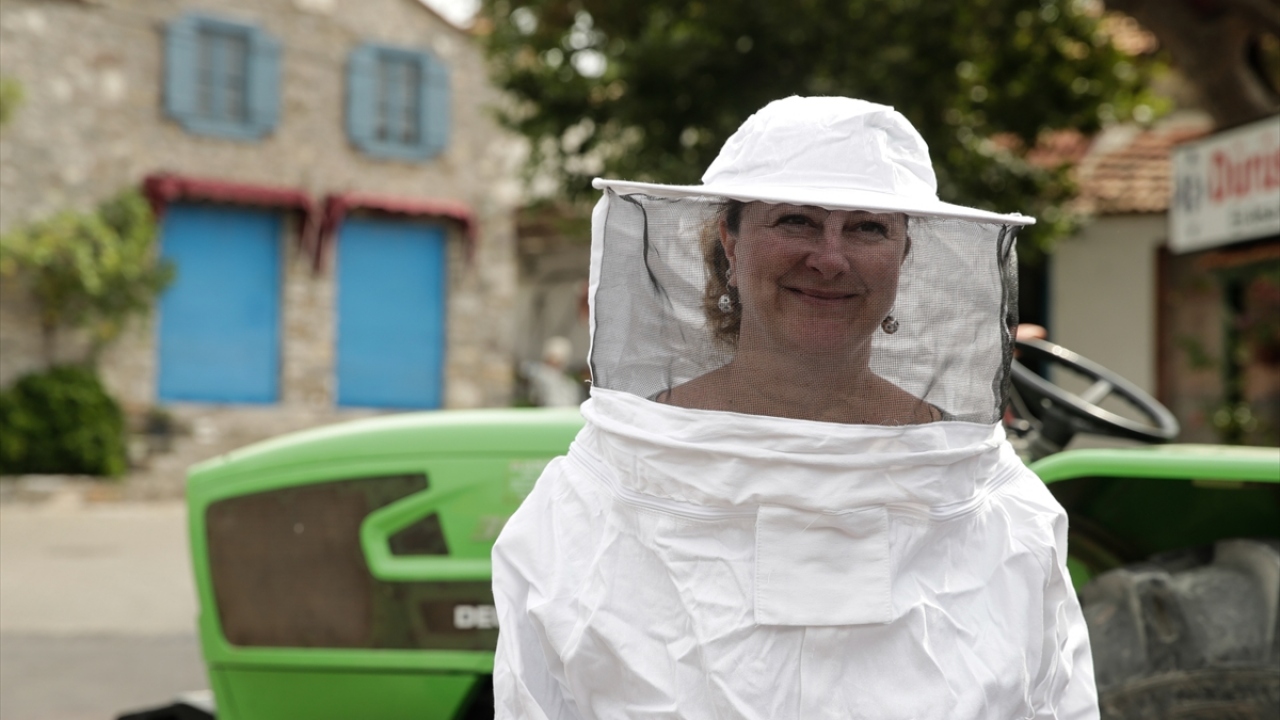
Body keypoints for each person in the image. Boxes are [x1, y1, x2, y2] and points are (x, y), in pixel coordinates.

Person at [493, 97, 1097, 719]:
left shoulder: (1002, 507)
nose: (829, 259)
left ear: (904, 253)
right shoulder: (589, 497)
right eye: (796, 221)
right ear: (729, 240)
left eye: (867, 227)